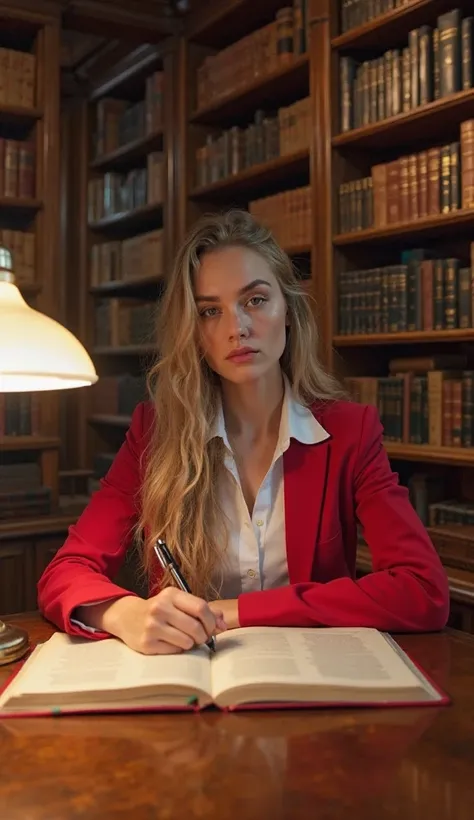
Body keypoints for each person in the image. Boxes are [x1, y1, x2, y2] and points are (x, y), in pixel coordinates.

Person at [37, 209, 450, 655]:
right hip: (187, 682)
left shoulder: (350, 432)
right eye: (211, 311)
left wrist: (235, 612)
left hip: (315, 682)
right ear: (195, 334)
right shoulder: (153, 433)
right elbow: (65, 572)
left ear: (288, 310)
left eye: (255, 300)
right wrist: (122, 613)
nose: (238, 329)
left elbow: (422, 590)